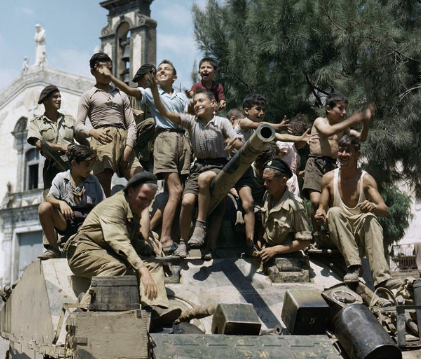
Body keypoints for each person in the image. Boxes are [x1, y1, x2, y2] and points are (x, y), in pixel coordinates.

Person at [66, 172, 181, 325]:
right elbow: (119, 241)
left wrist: (153, 256)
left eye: (150, 201)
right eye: (143, 199)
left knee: (152, 264)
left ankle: (153, 307)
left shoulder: (133, 208)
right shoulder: (115, 206)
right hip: (83, 252)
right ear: (130, 191)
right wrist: (142, 270)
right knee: (116, 266)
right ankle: (84, 309)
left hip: (108, 251)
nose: (146, 205)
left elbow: (133, 240)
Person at [103, 60, 190, 253]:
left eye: (165, 69)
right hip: (158, 142)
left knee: (174, 193)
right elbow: (130, 92)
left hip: (181, 140)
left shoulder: (180, 95)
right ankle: (163, 238)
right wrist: (110, 77)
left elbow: (188, 114)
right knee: (173, 190)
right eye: (158, 70)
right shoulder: (147, 93)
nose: (160, 72)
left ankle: (150, 232)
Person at [151, 80, 242, 258]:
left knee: (205, 181)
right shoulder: (191, 121)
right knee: (186, 202)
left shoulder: (222, 122)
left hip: (219, 166)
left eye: (202, 101)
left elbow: (239, 142)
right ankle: (184, 243)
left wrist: (234, 143)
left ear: (213, 104)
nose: (198, 104)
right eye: (195, 102)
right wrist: (155, 90)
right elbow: (164, 112)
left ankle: (200, 226)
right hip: (198, 166)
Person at [315, 134, 399, 288]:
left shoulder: (366, 179)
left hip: (360, 229)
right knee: (333, 211)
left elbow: (384, 209)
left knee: (371, 219)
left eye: (348, 151)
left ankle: (382, 279)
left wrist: (373, 206)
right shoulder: (328, 178)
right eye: (341, 151)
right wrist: (320, 214)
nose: (343, 155)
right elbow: (322, 208)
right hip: (339, 230)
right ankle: (354, 266)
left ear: (357, 154)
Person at [232, 95, 305, 255]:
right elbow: (260, 125)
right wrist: (277, 125)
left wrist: (299, 138)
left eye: (264, 110)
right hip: (239, 174)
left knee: (263, 208)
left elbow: (280, 136)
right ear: (246, 110)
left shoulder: (259, 130)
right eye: (258, 109)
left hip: (254, 174)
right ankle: (249, 244)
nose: (261, 112)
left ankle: (263, 240)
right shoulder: (243, 123)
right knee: (249, 204)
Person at [303, 93, 375, 235]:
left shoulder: (343, 128)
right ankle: (317, 234)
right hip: (315, 164)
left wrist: (365, 122)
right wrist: (351, 120)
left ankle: (332, 232)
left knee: (333, 203)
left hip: (332, 166)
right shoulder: (320, 121)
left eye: (346, 109)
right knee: (316, 202)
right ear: (328, 109)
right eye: (340, 109)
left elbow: (362, 137)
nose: (344, 112)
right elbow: (327, 131)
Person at [75, 53, 143, 197]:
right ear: (93, 71)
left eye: (109, 68)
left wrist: (128, 147)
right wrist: (92, 132)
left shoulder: (121, 94)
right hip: (102, 141)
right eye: (102, 68)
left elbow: (131, 124)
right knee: (103, 192)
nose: (106, 72)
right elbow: (78, 126)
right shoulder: (88, 95)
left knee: (142, 183)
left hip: (124, 140)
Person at [37, 145, 105, 260]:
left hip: (86, 222)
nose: (90, 169)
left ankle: (78, 241)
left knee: (83, 242)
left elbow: (103, 205)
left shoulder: (93, 181)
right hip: (65, 221)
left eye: (91, 165)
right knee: (44, 207)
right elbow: (49, 198)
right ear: (74, 163)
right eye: (86, 165)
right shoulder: (61, 178)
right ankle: (53, 249)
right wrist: (60, 203)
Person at [27, 85, 84, 194]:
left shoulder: (69, 119)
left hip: (73, 164)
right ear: (45, 100)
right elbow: (38, 143)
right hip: (52, 165)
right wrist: (61, 147)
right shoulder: (36, 123)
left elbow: (82, 140)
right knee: (50, 201)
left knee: (77, 198)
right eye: (55, 97)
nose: (59, 99)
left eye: (59, 97)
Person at [256, 159, 312, 263]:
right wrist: (260, 239)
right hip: (267, 253)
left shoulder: (295, 206)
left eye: (269, 181)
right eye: (264, 180)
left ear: (283, 181)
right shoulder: (267, 196)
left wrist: (275, 250)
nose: (264, 184)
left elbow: (304, 242)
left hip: (289, 258)